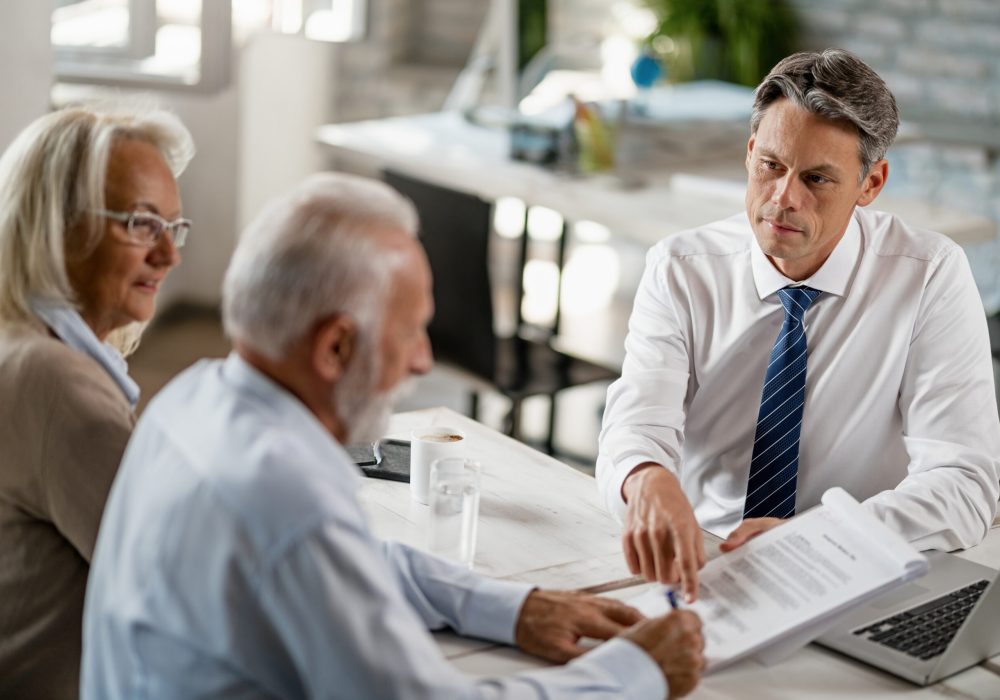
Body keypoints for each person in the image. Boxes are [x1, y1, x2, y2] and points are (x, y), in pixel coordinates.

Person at [82, 173, 705, 699]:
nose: (423, 362)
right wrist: (635, 673)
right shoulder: (286, 502)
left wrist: (509, 607)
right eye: (411, 332)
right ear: (335, 347)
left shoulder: (189, 400)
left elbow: (359, 563)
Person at [596, 49, 1000, 601]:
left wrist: (818, 537)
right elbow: (636, 422)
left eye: (816, 178)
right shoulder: (682, 269)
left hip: (854, 568)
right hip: (707, 560)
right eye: (771, 166)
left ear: (871, 184)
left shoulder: (928, 275)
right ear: (748, 155)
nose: (784, 199)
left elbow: (967, 484)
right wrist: (645, 478)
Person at [0, 103, 193, 698]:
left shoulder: (21, 340)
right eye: (140, 224)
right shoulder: (58, 383)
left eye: (174, 227)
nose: (169, 255)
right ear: (59, 226)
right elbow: (178, 593)